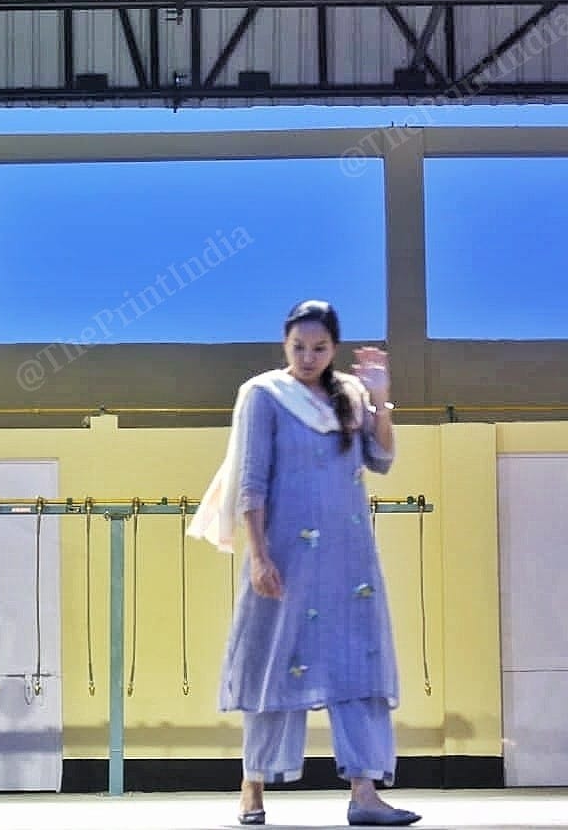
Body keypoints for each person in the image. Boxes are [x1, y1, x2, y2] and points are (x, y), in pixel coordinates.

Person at [188, 299, 420, 827]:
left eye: (319, 348)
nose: (309, 357)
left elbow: (381, 460)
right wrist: (259, 555)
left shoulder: (351, 395)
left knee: (358, 662)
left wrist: (380, 400)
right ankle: (253, 787)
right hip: (286, 554)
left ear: (333, 348)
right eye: (299, 347)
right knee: (274, 659)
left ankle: (365, 793)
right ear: (284, 344)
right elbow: (251, 477)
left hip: (349, 556)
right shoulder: (264, 395)